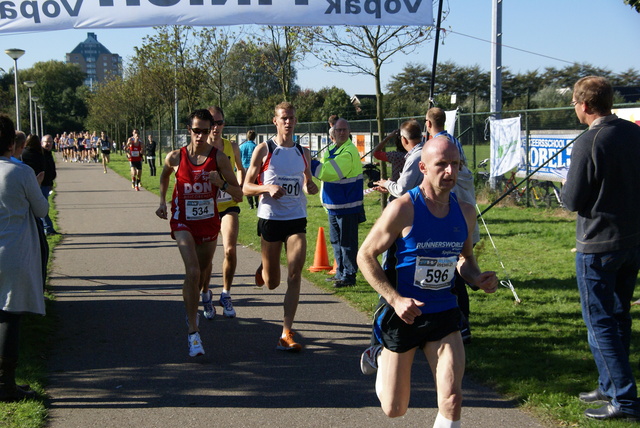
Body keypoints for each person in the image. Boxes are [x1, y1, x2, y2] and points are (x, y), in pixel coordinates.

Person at [357, 136, 498, 427]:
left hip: (444, 312)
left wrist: (477, 278)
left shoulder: (466, 212)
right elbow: (365, 256)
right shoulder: (403, 209)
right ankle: (381, 355)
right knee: (394, 409)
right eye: (442, 165)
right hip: (404, 314)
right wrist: (395, 299)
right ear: (423, 167)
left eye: (455, 165)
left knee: (452, 399)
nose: (450, 172)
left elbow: (464, 259)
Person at [562, 76, 640, 422]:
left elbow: (573, 199)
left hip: (597, 245)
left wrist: (566, 190)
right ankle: (608, 384)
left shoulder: (588, 141)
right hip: (631, 240)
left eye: (575, 104)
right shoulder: (633, 133)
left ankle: (624, 398)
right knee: (619, 316)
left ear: (585, 106)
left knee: (600, 322)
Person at [156, 109, 242, 357]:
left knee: (203, 271)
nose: (201, 135)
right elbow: (163, 176)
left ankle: (198, 300)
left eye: (206, 131)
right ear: (189, 130)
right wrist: (162, 202)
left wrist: (221, 183)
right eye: (197, 130)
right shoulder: (175, 157)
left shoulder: (219, 158)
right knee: (192, 271)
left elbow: (238, 194)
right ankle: (193, 332)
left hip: (208, 223)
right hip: (183, 221)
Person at [243, 101, 319, 352]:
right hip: (270, 218)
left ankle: (286, 332)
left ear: (296, 121)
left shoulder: (303, 152)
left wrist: (310, 185)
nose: (288, 122)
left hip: (296, 218)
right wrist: (267, 187)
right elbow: (246, 188)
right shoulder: (264, 150)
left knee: (295, 274)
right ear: (275, 121)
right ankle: (265, 267)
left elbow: (307, 180)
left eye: (292, 118)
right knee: (272, 281)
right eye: (283, 118)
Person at [0, 114, 49, 401]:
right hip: (14, 251)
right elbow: (41, 210)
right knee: (9, 316)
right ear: (10, 142)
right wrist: (38, 181)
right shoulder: (21, 173)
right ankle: (6, 382)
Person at [426, 107, 480, 343]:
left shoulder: (440, 146)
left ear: (428, 123)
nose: (449, 169)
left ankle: (461, 323)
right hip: (451, 216)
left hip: (455, 218)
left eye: (453, 164)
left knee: (455, 275)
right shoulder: (452, 142)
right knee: (450, 274)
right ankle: (453, 322)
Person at [311, 118, 364, 288]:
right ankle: (340, 272)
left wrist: (309, 163)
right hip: (334, 205)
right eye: (338, 130)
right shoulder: (333, 149)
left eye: (344, 130)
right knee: (336, 242)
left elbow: (328, 173)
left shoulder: (348, 151)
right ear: (332, 132)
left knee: (347, 243)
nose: (341, 132)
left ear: (349, 132)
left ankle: (349, 276)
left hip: (347, 205)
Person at [205, 106, 245, 319]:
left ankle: (226, 293)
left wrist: (239, 186)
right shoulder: (200, 148)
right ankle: (205, 294)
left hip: (228, 203)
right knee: (207, 257)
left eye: (220, 123)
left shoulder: (232, 146)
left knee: (229, 250)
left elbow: (240, 168)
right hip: (206, 207)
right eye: (212, 123)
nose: (216, 127)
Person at [373, 120, 424, 199]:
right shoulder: (427, 151)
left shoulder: (399, 156)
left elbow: (376, 153)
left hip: (403, 198)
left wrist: (388, 137)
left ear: (403, 139)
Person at [40, 135, 58, 236]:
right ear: (41, 143)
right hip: (42, 184)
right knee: (43, 207)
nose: (48, 144)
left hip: (47, 184)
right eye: (46, 142)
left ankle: (47, 228)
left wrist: (50, 183)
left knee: (44, 206)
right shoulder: (41, 154)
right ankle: (48, 228)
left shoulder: (48, 153)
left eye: (50, 142)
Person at [239, 130, 259, 210]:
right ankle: (256, 202)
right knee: (255, 185)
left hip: (244, 168)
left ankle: (250, 204)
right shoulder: (256, 146)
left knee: (246, 186)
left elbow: (239, 158)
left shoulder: (242, 147)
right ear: (254, 137)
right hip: (253, 168)